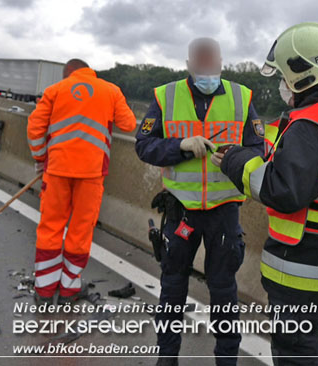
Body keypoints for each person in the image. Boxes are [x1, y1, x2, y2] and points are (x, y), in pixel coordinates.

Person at [216, 22, 318, 365]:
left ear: (302, 74)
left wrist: (237, 162)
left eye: (284, 76)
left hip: (302, 267)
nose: (283, 85)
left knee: (297, 352)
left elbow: (284, 191)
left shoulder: (308, 126)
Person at [135, 37, 264, 366]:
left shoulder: (242, 96)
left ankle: (226, 361)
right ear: (190, 64)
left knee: (223, 291)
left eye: (212, 61)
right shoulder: (165, 96)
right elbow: (144, 145)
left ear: (221, 62)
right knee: (173, 287)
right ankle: (167, 359)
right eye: (200, 62)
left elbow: (260, 148)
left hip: (223, 212)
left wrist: (235, 157)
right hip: (181, 211)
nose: (207, 67)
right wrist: (179, 145)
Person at [27, 59, 137, 305]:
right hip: (92, 173)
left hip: (56, 170)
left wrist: (40, 157)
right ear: (90, 72)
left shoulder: (55, 90)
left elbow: (35, 128)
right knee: (80, 230)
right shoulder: (110, 91)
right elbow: (129, 124)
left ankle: (44, 290)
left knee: (51, 226)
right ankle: (69, 289)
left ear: (68, 73)